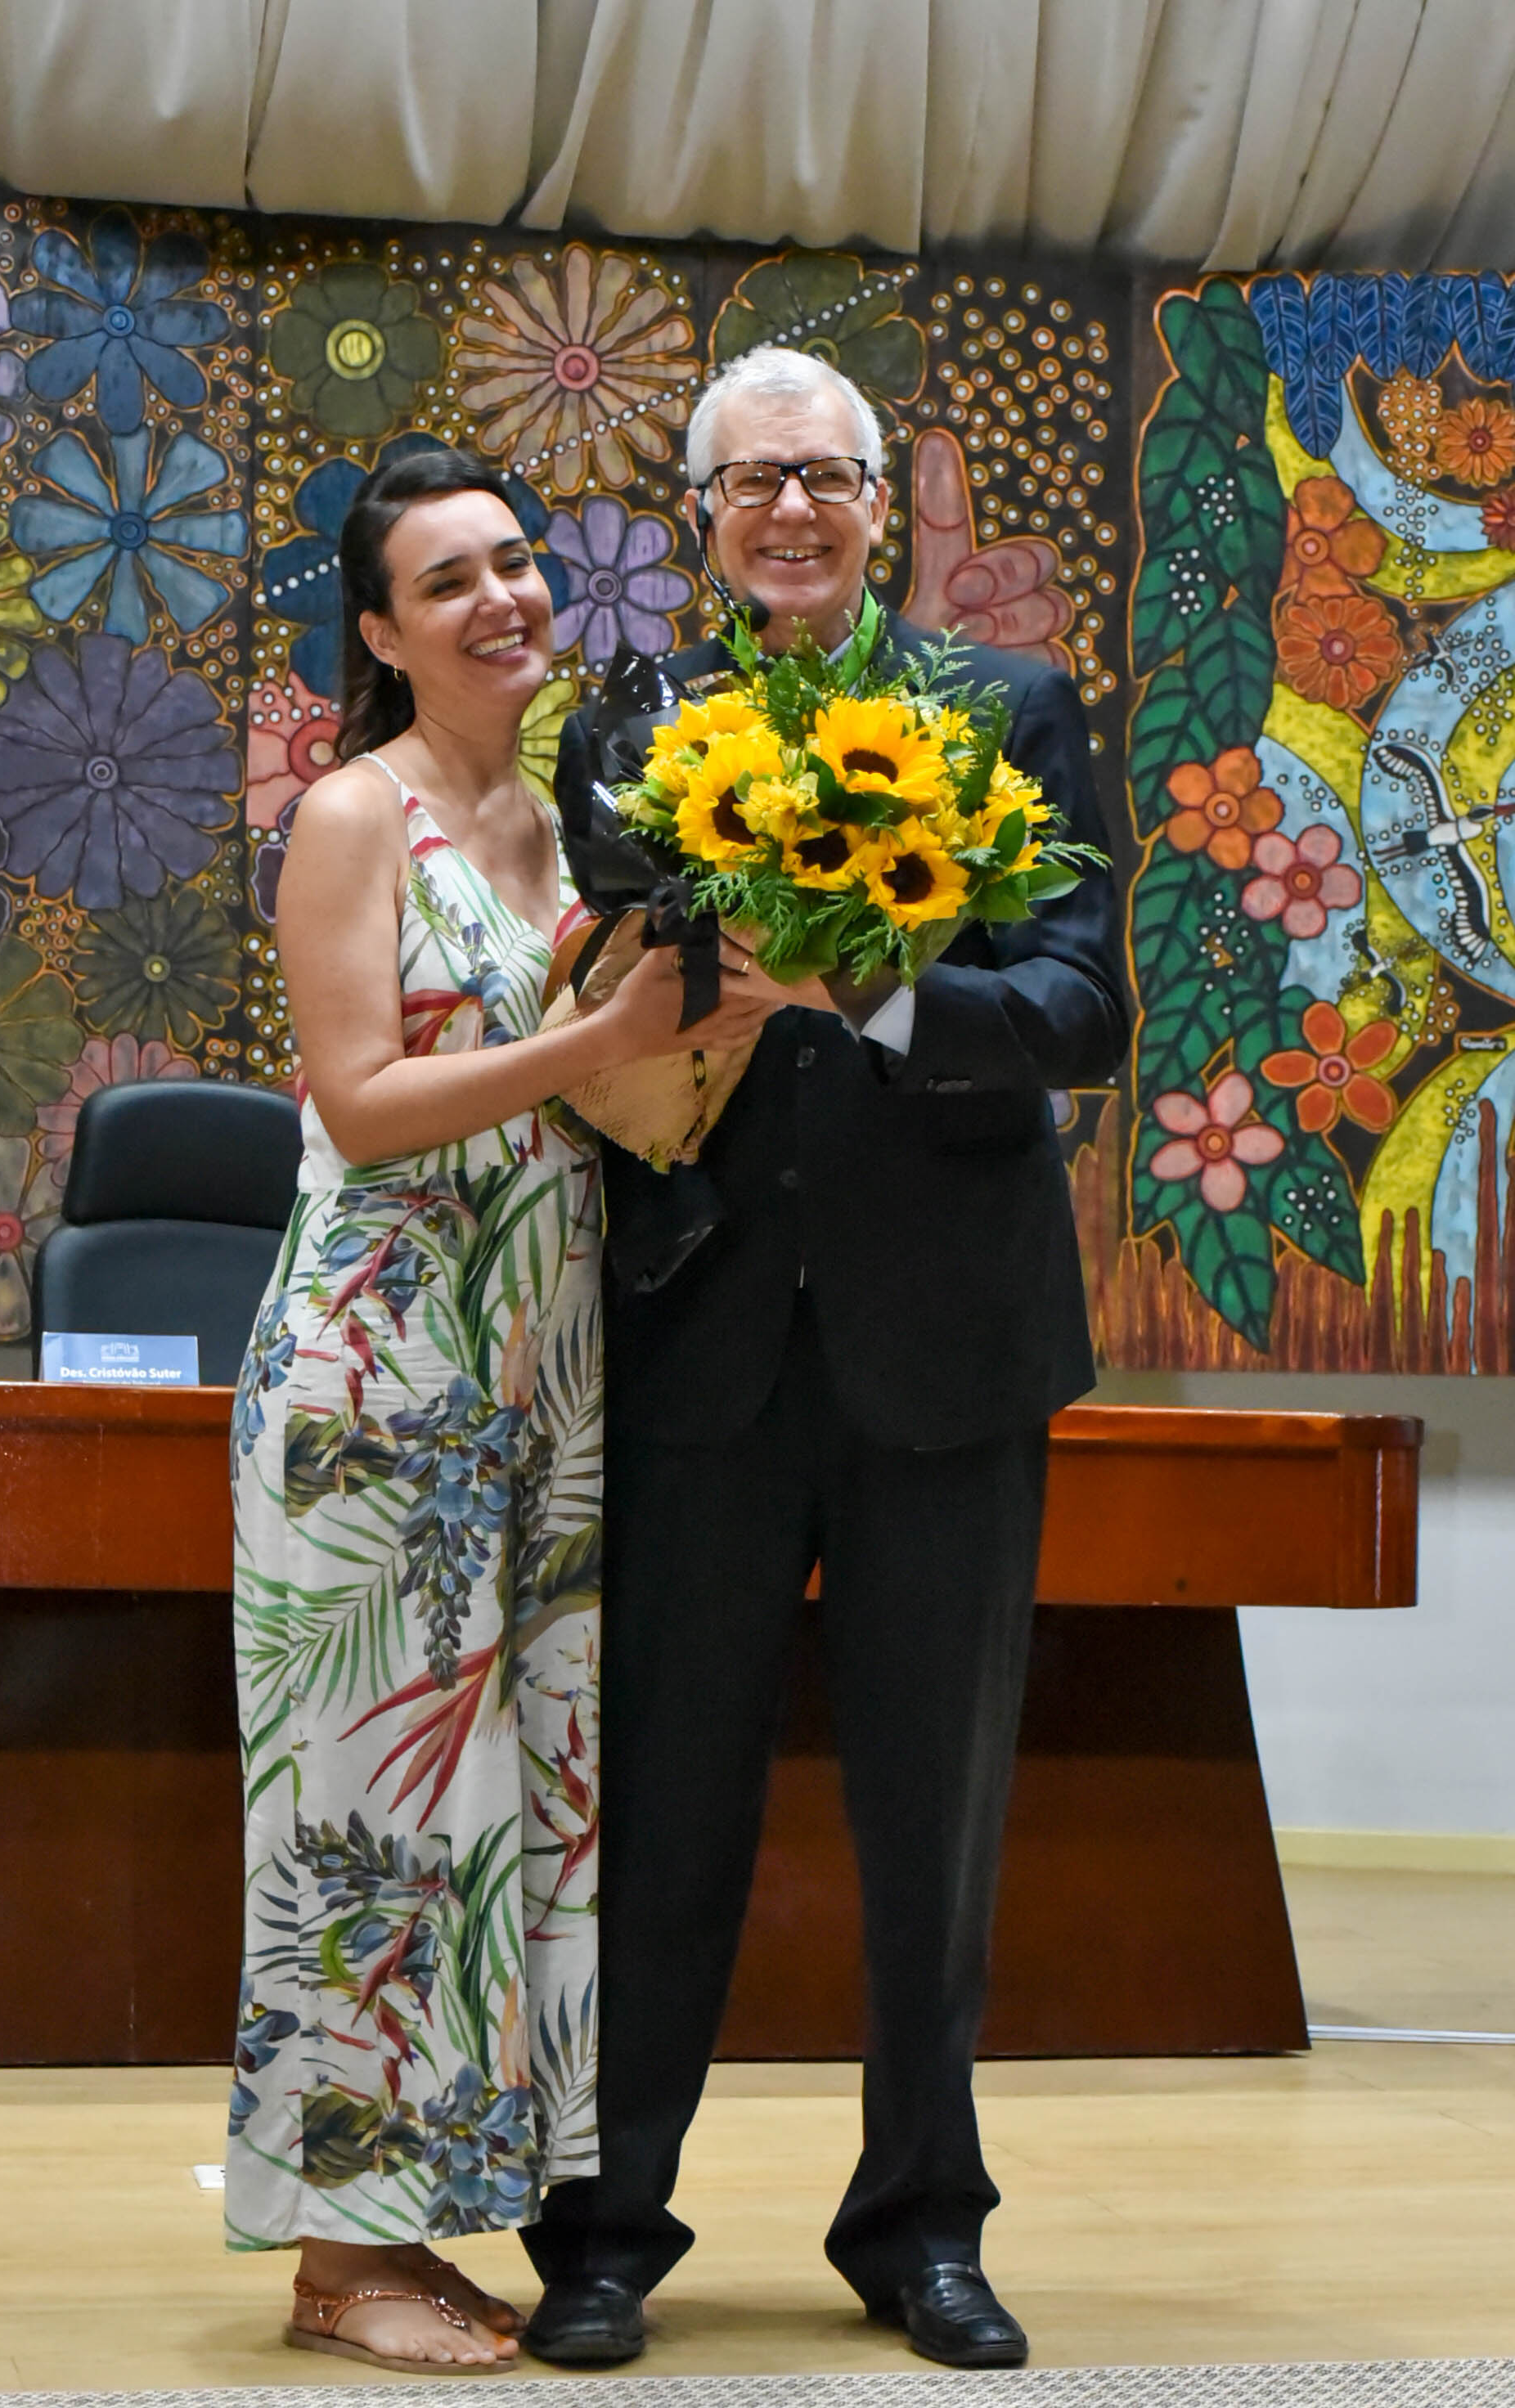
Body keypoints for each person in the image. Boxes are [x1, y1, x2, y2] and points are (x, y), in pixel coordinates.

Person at [521, 348, 1131, 2370]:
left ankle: (922, 2222)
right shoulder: (630, 728)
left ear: (885, 502)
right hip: (693, 1345)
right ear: (698, 518)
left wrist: (869, 988)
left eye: (826, 475)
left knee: (934, 1821)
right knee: (665, 1810)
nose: (790, 507)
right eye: (749, 479)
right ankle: (607, 2222)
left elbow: (1076, 1007)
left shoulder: (1010, 713)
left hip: (946, 1350)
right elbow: (584, 1002)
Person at [224, 448, 783, 2374]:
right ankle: (333, 2260)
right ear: (381, 632)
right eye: (447, 579)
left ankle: (418, 2217)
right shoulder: (353, 813)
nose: (504, 598)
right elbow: (363, 1102)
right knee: (370, 1802)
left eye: (520, 560)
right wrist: (603, 1039)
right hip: (381, 1372)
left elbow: (593, 1091)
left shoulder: (570, 810)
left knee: (504, 1809)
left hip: (541, 1366)